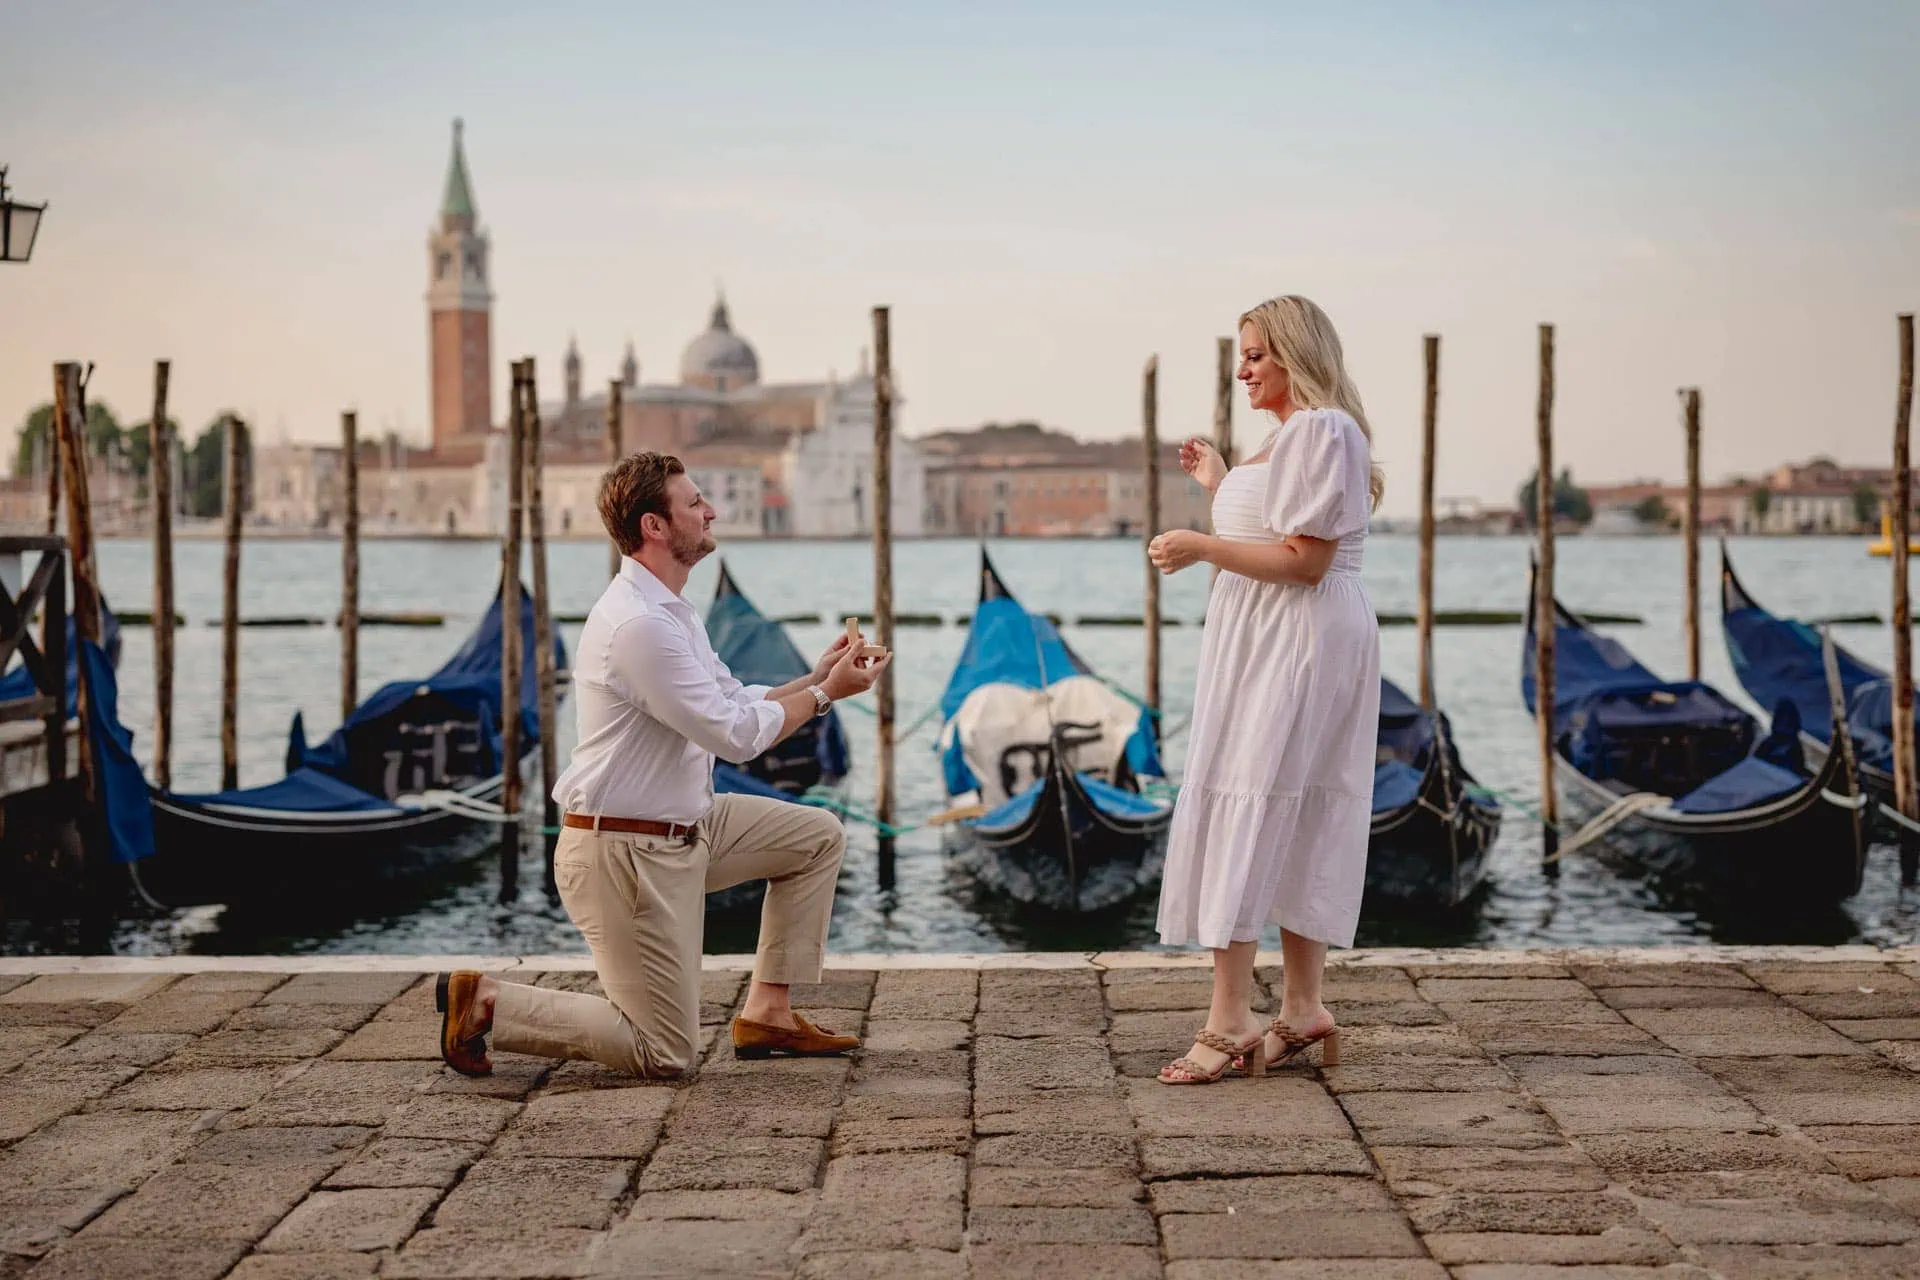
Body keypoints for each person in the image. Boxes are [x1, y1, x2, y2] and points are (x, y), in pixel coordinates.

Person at [434, 451, 889, 1079]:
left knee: (816, 836)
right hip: (623, 853)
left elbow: (734, 701)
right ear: (654, 525)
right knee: (665, 1054)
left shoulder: (672, 612)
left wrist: (815, 678)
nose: (711, 511)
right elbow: (735, 737)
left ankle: (768, 1014)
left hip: (686, 827)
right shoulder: (639, 626)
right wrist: (826, 696)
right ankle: (488, 1001)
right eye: (695, 502)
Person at [1146, 294, 1382, 1085]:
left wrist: (1201, 545)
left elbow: (1306, 561)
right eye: (1239, 358)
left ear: (1295, 353)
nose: (1242, 370)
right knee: (1289, 802)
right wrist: (1220, 480)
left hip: (1297, 635)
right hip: (1273, 634)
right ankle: (1303, 1009)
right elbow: (1274, 533)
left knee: (1254, 797)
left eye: (1255, 355)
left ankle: (1229, 1020)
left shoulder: (1323, 430)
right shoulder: (1292, 437)